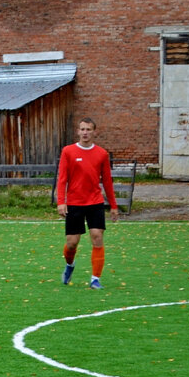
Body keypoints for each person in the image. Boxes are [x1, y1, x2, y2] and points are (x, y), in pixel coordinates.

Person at [55, 117, 119, 289]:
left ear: (94, 132)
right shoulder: (68, 151)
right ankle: (69, 265)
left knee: (97, 237)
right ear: (78, 131)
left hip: (95, 202)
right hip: (75, 203)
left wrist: (113, 206)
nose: (85, 133)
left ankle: (95, 279)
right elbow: (62, 179)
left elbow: (107, 181)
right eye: (82, 129)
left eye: (88, 129)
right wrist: (61, 202)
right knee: (72, 243)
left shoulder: (102, 154)